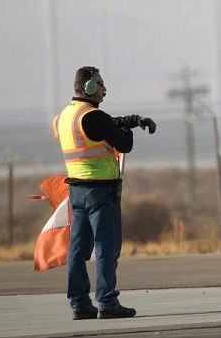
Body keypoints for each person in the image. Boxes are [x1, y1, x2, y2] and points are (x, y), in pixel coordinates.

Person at [52, 65, 156, 320]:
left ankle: (79, 304)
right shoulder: (92, 116)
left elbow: (103, 124)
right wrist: (129, 131)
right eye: (100, 84)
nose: (104, 89)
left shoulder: (65, 116)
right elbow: (123, 143)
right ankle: (107, 302)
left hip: (76, 192)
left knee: (78, 250)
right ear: (88, 87)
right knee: (106, 247)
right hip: (101, 193)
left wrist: (133, 119)